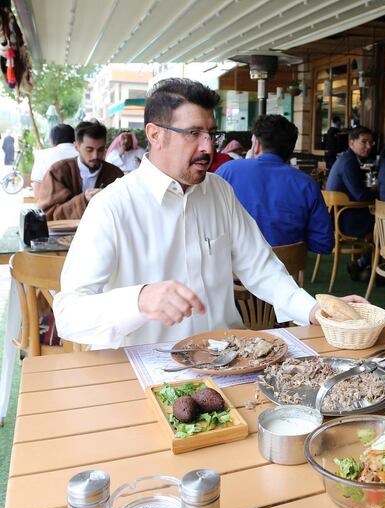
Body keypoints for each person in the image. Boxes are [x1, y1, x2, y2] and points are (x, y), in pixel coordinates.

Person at [53, 78, 365, 349]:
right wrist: (139, 300)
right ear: (154, 134)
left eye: (211, 134)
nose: (208, 148)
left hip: (227, 357)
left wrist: (314, 310)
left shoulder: (219, 191)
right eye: (193, 134)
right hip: (147, 368)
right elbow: (69, 314)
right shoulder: (112, 206)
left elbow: (261, 268)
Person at [216, 114, 333, 254]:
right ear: (290, 150)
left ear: (257, 145)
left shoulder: (228, 171)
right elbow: (323, 244)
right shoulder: (307, 184)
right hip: (285, 273)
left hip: (232, 272)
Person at [37, 120, 123, 220]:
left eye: (100, 150)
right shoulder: (57, 172)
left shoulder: (115, 174)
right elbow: (46, 215)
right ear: (77, 147)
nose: (95, 155)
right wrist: (84, 199)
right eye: (89, 150)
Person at [326, 126, 377, 279]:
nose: (368, 146)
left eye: (371, 142)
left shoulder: (346, 159)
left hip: (338, 218)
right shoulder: (349, 162)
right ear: (351, 143)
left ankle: (364, 265)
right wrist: (379, 192)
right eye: (364, 142)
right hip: (346, 221)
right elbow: (360, 195)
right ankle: (364, 265)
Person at [30, 124, 78, 199]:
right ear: (75, 139)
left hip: (53, 207)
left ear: (52, 140)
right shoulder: (83, 154)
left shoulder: (42, 155)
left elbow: (37, 190)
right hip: (83, 205)